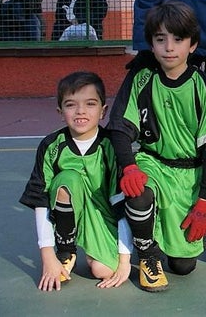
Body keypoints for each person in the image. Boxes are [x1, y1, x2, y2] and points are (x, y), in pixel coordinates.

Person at [106, 1, 206, 292]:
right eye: (160, 39)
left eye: (178, 39)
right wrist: (129, 166)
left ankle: (159, 240)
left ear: (193, 45)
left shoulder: (202, 85)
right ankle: (148, 254)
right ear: (151, 44)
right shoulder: (141, 78)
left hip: (189, 175)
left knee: (183, 266)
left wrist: (205, 202)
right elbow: (120, 128)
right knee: (138, 194)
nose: (169, 47)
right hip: (153, 162)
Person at [19, 71, 131, 291]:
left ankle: (97, 247)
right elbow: (40, 201)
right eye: (71, 105)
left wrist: (125, 261)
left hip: (103, 214)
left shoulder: (112, 146)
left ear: (103, 111)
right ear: (60, 112)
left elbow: (122, 203)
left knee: (103, 270)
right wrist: (47, 256)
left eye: (90, 104)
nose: (80, 111)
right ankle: (66, 249)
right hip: (70, 209)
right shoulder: (51, 145)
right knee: (66, 179)